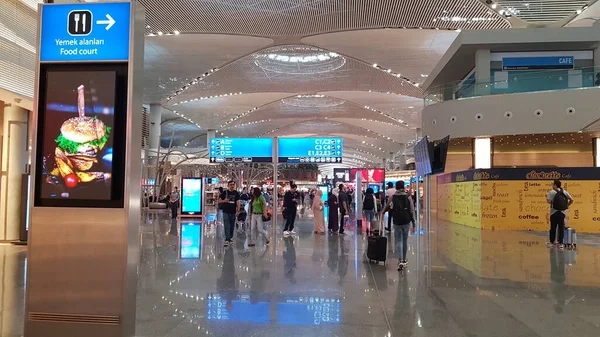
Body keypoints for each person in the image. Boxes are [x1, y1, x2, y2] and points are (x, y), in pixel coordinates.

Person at [383, 181, 415, 271]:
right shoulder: (408, 197)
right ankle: (404, 259)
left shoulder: (393, 197)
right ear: (403, 187)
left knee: (398, 240)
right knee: (405, 240)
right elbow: (412, 210)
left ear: (396, 187)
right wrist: (414, 223)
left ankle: (400, 260)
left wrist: (382, 212)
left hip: (397, 221)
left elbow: (386, 207)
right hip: (406, 221)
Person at [546, 179, 574, 249]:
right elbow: (572, 200)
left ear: (555, 185)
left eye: (553, 184)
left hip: (554, 212)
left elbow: (549, 201)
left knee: (553, 227)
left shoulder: (552, 192)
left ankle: (552, 242)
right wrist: (566, 205)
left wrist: (547, 197)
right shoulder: (564, 192)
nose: (552, 185)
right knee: (561, 228)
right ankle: (561, 243)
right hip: (562, 212)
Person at [219, 180, 241, 247]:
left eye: (233, 184)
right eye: (231, 184)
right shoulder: (224, 192)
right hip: (225, 211)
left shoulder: (236, 193)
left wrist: (238, 210)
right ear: (228, 185)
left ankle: (230, 238)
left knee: (232, 226)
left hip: (233, 212)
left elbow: (238, 202)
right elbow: (218, 201)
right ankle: (227, 239)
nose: (232, 186)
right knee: (226, 225)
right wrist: (224, 200)